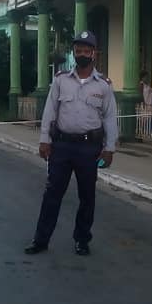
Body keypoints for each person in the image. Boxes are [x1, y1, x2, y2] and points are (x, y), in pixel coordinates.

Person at [25, 30, 118, 256]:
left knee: (87, 196)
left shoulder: (103, 85)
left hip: (89, 148)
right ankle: (41, 240)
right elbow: (50, 111)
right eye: (78, 50)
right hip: (62, 147)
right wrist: (44, 140)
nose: (82, 54)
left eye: (87, 50)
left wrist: (109, 148)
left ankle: (82, 240)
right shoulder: (60, 80)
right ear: (74, 53)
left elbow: (109, 117)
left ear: (94, 53)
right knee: (52, 194)